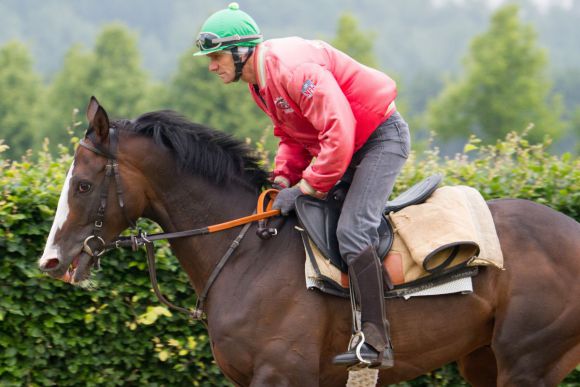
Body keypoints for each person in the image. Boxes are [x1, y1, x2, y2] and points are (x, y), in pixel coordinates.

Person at [194, 2, 410, 369]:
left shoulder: (292, 69)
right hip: (348, 145)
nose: (212, 66)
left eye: (216, 57)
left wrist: (307, 187)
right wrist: (282, 179)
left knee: (354, 230)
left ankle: (377, 339)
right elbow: (293, 135)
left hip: (379, 140)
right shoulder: (260, 84)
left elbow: (338, 133)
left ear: (240, 51)